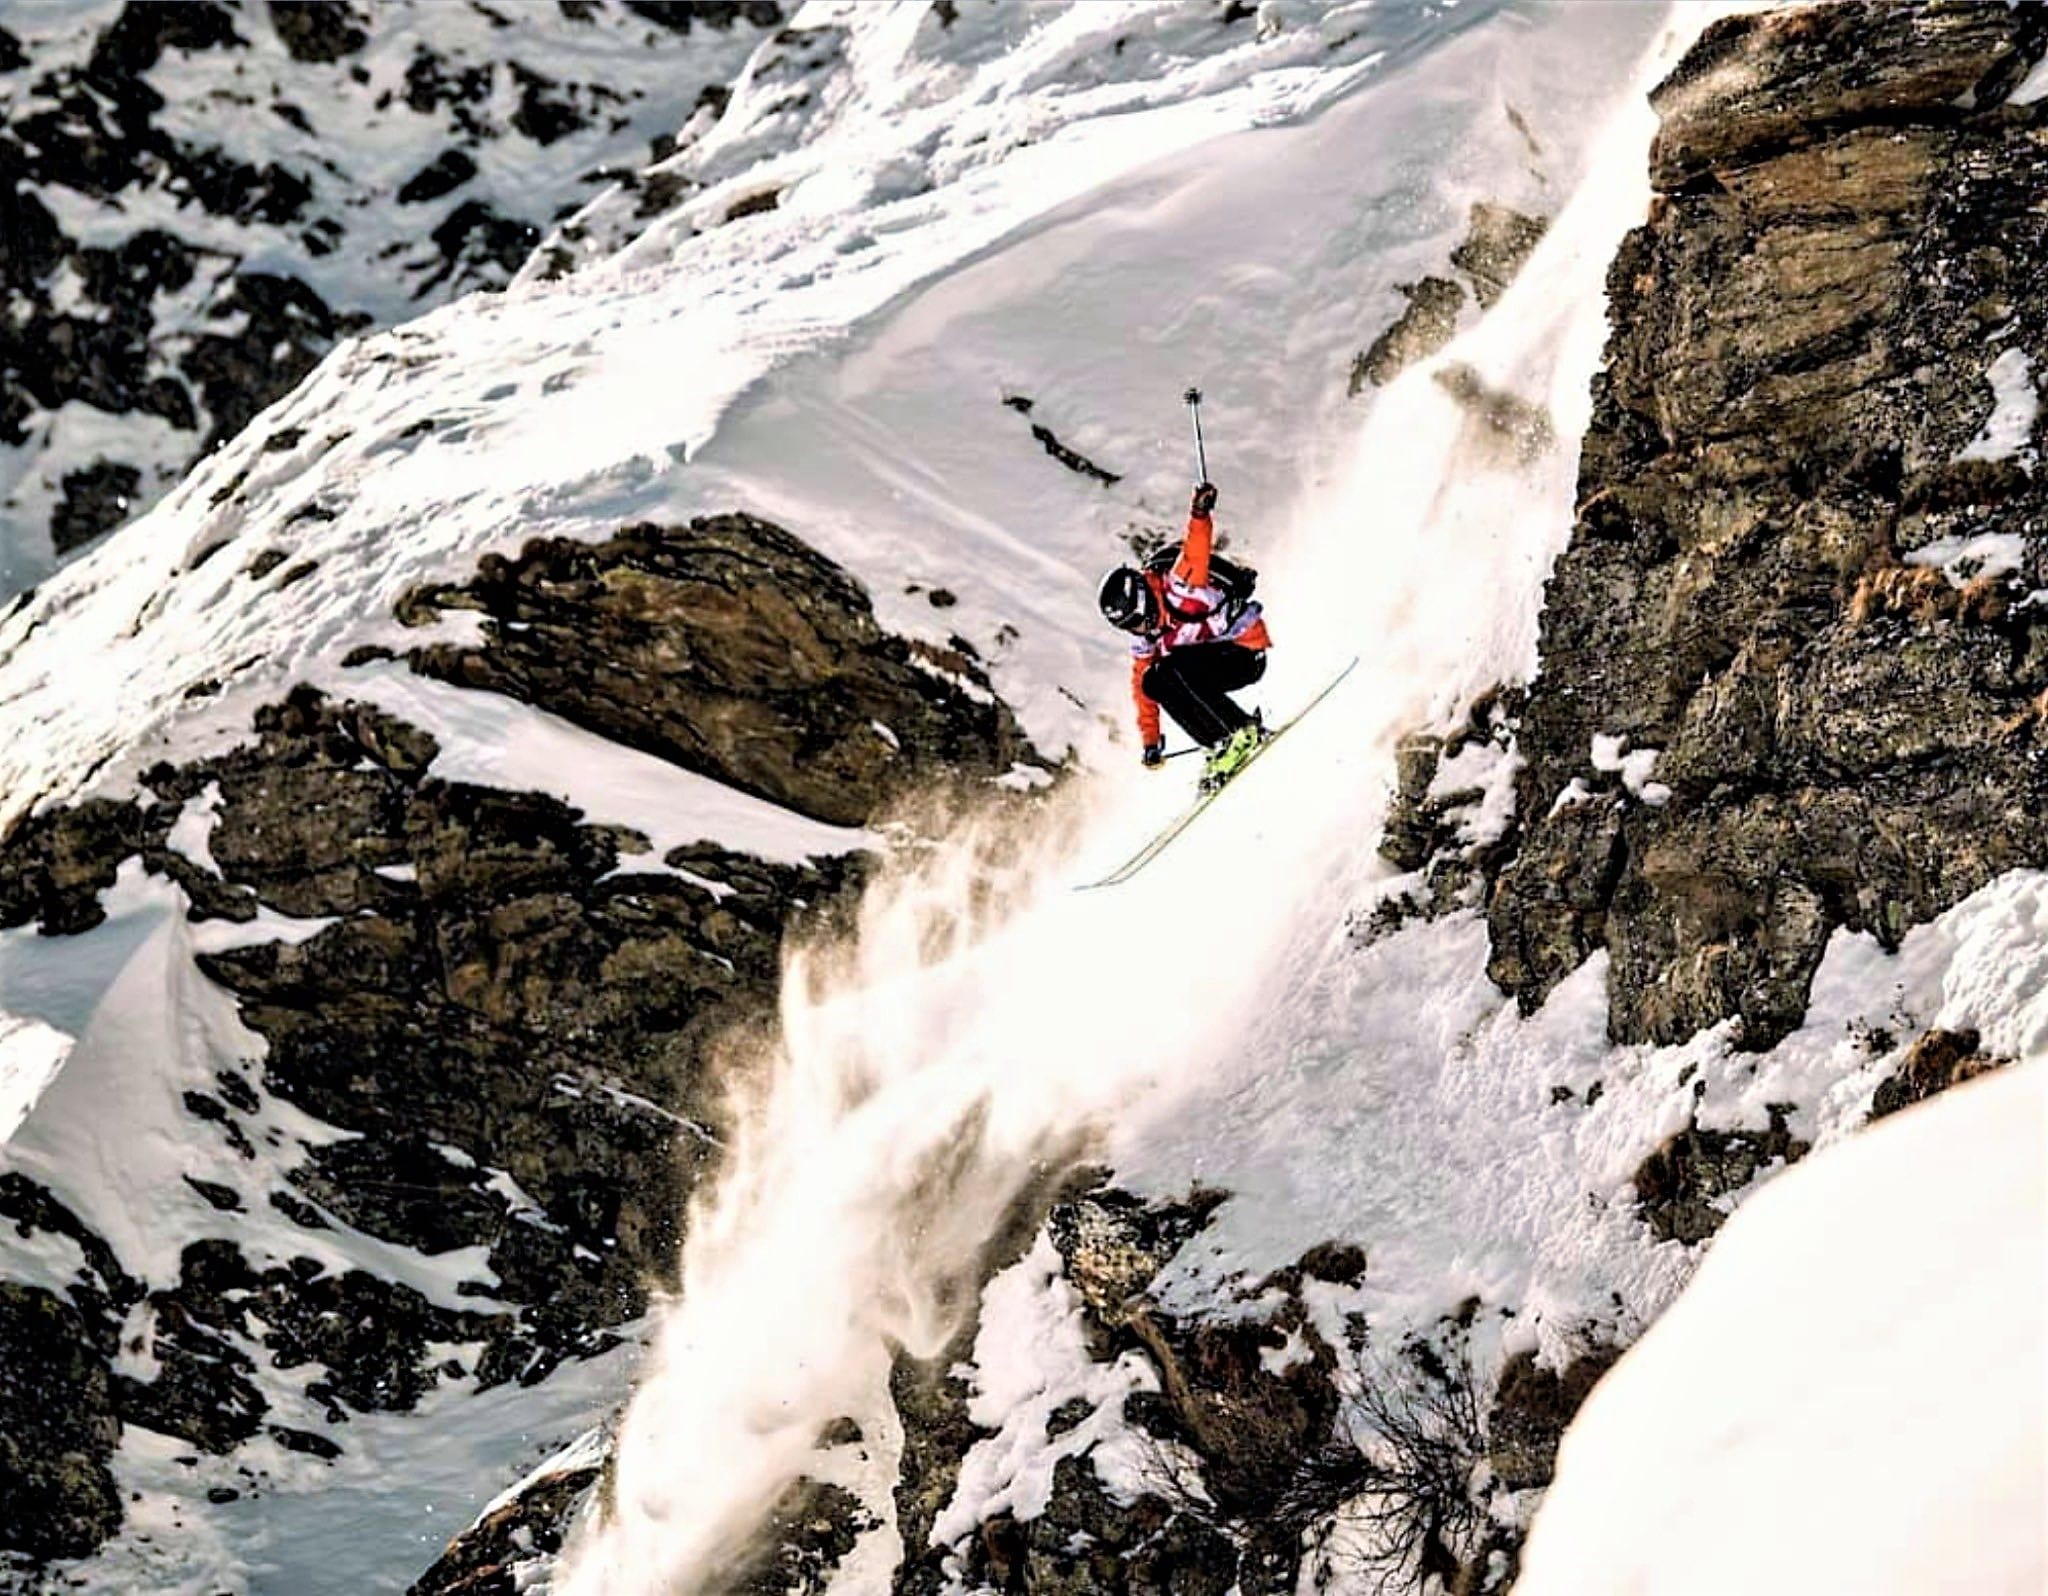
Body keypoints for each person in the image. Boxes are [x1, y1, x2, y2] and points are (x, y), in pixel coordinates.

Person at [1097, 481, 1272, 791]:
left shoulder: (1179, 589)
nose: (1139, 630)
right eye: (1128, 627)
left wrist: (1199, 513)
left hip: (1244, 652)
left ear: (1143, 601)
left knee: (1170, 668)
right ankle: (1219, 743)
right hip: (1209, 663)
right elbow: (1141, 688)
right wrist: (1151, 741)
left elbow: (1195, 552)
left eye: (1136, 620)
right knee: (1155, 680)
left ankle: (1239, 731)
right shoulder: (1147, 638)